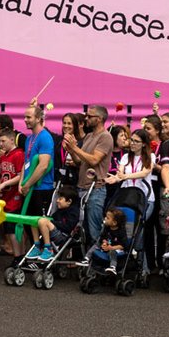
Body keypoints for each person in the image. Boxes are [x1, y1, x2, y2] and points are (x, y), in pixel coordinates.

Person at [64, 105, 113, 244]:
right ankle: (86, 258)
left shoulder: (105, 137)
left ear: (100, 119)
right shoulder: (89, 136)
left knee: (94, 228)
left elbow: (94, 159)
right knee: (83, 228)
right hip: (82, 187)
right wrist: (72, 151)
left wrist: (75, 148)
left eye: (90, 116)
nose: (87, 118)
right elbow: (80, 161)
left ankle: (97, 260)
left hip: (95, 188)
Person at [20, 102, 55, 247]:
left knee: (41, 222)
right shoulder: (29, 138)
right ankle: (36, 248)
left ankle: (47, 250)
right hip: (29, 188)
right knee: (30, 221)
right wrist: (21, 183)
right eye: (25, 117)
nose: (25, 120)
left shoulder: (45, 137)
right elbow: (26, 162)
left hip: (42, 188)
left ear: (39, 118)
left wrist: (28, 184)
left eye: (29, 117)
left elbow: (43, 165)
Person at [0, 129, 25, 257]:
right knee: (8, 228)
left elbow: (19, 175)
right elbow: (0, 175)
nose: (1, 144)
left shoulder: (18, 154)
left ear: (12, 140)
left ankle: (19, 255)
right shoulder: (3, 156)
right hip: (5, 197)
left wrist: (6, 184)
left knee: (13, 228)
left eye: (3, 141)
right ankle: (17, 255)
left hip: (14, 196)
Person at [30, 187, 80, 262]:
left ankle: (48, 249)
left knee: (43, 221)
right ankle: (37, 246)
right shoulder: (59, 211)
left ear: (69, 201)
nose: (57, 201)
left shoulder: (73, 212)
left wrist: (51, 222)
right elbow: (52, 219)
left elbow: (68, 227)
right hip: (54, 232)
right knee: (35, 220)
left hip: (63, 236)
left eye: (60, 199)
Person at [84, 207, 127, 274]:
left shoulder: (121, 232)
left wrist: (111, 248)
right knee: (96, 245)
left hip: (116, 249)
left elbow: (123, 245)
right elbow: (103, 237)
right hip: (106, 247)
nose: (105, 219)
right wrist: (104, 242)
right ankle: (86, 258)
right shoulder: (106, 228)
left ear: (114, 222)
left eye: (107, 218)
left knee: (112, 252)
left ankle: (113, 267)